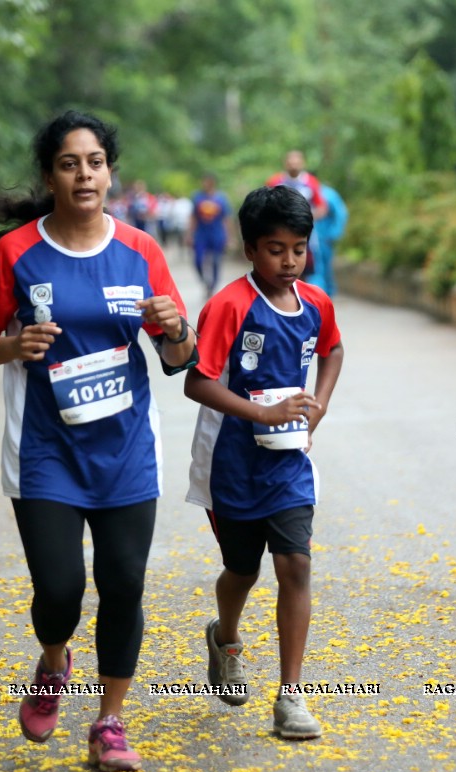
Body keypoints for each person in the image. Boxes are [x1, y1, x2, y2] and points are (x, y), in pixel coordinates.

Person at [0, 110, 198, 772]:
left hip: (125, 451)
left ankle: (110, 722)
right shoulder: (17, 254)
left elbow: (181, 356)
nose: (84, 174)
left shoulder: (141, 251)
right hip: (45, 452)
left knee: (123, 584)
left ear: (109, 172)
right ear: (50, 175)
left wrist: (175, 326)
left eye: (95, 162)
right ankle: (54, 660)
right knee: (60, 590)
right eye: (70, 163)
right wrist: (13, 344)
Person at [183, 185, 344, 739]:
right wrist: (264, 414)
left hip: (288, 463)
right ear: (250, 248)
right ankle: (225, 637)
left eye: (298, 248)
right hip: (231, 463)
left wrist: (312, 410)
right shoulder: (229, 306)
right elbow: (197, 383)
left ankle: (291, 697)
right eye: (276, 249)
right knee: (243, 569)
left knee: (295, 565)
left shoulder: (316, 302)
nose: (289, 261)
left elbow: (333, 349)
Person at [266, 150, 328, 280]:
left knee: (303, 269)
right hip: (280, 233)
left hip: (304, 234)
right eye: (290, 162)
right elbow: (264, 205)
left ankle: (299, 296)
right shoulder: (275, 182)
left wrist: (305, 218)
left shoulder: (311, 182)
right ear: (285, 163)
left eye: (297, 162)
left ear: (302, 163)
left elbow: (322, 207)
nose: (293, 165)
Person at [185, 173, 232, 298]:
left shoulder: (221, 198)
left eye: (207, 181)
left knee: (216, 261)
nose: (205, 184)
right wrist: (189, 234)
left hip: (217, 234)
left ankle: (212, 286)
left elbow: (226, 219)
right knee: (198, 260)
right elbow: (193, 217)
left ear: (212, 182)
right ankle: (205, 282)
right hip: (201, 234)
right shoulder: (197, 197)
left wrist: (229, 237)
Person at [310, 183, 348, 296]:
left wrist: (333, 234)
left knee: (324, 268)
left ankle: (325, 295)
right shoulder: (302, 191)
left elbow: (341, 214)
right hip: (308, 240)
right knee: (314, 269)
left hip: (323, 240)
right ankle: (318, 295)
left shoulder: (327, 194)